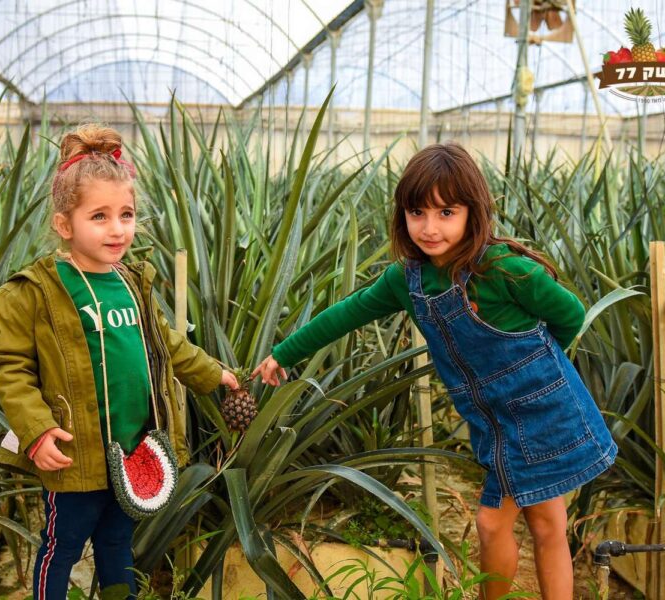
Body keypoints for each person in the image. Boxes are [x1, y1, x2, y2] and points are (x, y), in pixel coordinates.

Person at [253, 142, 616, 599]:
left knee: (501, 523)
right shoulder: (407, 281)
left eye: (446, 212)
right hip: (493, 419)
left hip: (543, 411)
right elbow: (347, 312)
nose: (429, 227)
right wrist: (283, 353)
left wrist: (539, 369)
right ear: (402, 215)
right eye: (417, 212)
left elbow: (570, 314)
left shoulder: (503, 269)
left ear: (472, 212)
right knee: (547, 521)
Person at [0, 124, 239, 599]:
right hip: (75, 450)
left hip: (131, 447)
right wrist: (37, 429)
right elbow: (10, 369)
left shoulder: (132, 282)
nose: (117, 229)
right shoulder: (35, 291)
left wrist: (215, 373)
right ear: (65, 225)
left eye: (126, 214)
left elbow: (167, 344)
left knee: (118, 540)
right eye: (99, 216)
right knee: (62, 544)